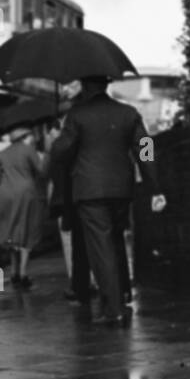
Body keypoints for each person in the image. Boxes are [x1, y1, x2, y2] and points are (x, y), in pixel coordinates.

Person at [49, 76, 166, 323]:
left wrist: (58, 138)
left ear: (85, 86)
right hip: (122, 188)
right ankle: (121, 294)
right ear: (106, 85)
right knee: (115, 240)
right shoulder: (129, 113)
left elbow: (61, 153)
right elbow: (146, 149)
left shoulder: (77, 115)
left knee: (101, 247)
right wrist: (154, 187)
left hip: (90, 190)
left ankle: (114, 309)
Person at [0, 121, 48, 289]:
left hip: (5, 194)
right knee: (26, 231)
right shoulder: (28, 150)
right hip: (25, 193)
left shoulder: (4, 153)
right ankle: (23, 273)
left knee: (11, 232)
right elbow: (42, 171)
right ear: (24, 137)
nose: (32, 138)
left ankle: (12, 272)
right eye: (30, 135)